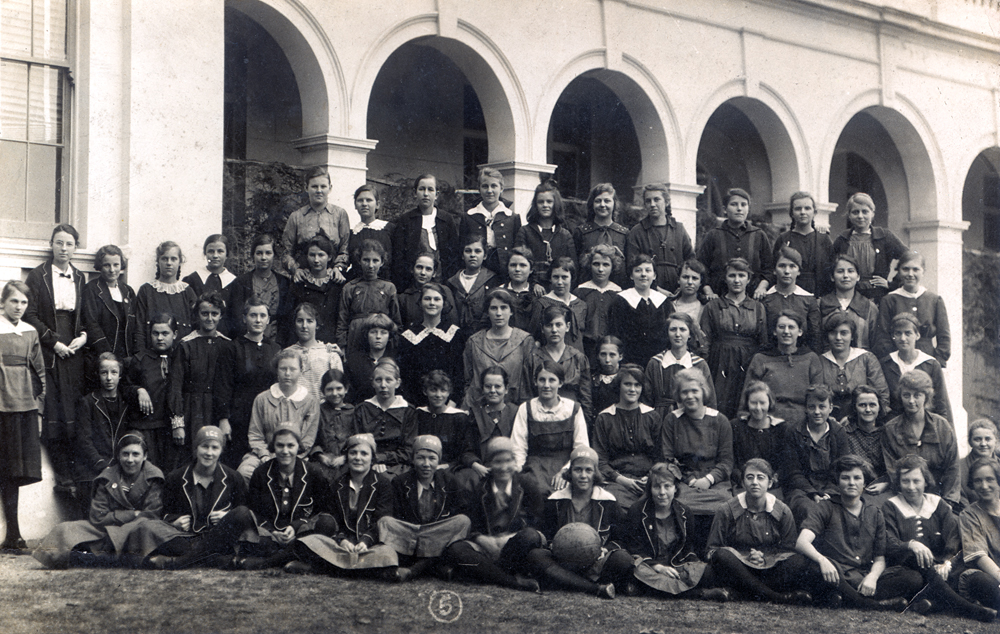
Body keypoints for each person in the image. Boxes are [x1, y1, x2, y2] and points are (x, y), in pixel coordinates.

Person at [795, 454, 921, 611]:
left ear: (865, 482)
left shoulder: (875, 512)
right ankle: (871, 604)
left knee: (913, 578)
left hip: (862, 575)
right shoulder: (825, 507)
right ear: (837, 481)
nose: (852, 483)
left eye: (857, 478)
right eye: (845, 478)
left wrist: (872, 578)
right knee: (812, 569)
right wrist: (822, 561)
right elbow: (801, 542)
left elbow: (879, 558)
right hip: (835, 573)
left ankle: (845, 598)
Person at [883, 455, 997, 622]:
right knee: (915, 576)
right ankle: (968, 609)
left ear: (925, 481)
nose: (911, 487)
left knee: (955, 576)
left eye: (916, 481)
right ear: (898, 483)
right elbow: (888, 541)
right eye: (905, 481)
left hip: (940, 569)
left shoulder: (938, 504)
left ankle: (928, 603)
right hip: (906, 566)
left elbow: (954, 537)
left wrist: (947, 562)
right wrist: (911, 545)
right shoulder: (890, 506)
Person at [34, 432, 164, 569]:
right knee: (63, 529)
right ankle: (110, 557)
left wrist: (123, 521)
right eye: (125, 454)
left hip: (137, 531)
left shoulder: (154, 477)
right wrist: (132, 514)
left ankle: (95, 557)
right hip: (105, 530)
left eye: (135, 454)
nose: (130, 460)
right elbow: (97, 517)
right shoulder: (107, 477)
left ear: (145, 456)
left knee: (148, 529)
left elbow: (151, 515)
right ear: (118, 456)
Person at [24, 224, 87, 494]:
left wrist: (83, 335)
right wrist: (54, 343)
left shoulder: (81, 277)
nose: (64, 248)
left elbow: (84, 313)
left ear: (75, 247)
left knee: (75, 410)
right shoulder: (38, 276)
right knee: (54, 411)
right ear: (51, 244)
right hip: (50, 349)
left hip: (74, 348)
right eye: (59, 243)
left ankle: (77, 473)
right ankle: (61, 475)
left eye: (69, 244)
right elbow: (30, 315)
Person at [526, 446, 632, 599]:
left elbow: (622, 538)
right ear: (570, 472)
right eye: (578, 470)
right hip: (562, 561)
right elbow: (544, 533)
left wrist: (606, 549)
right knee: (536, 556)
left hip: (596, 562)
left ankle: (565, 582)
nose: (583, 475)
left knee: (623, 559)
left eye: (588, 470)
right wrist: (554, 545)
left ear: (595, 473)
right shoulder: (555, 501)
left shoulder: (608, 501)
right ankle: (594, 588)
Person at [442, 437, 544, 591]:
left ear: (515, 462)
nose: (504, 467)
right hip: (489, 546)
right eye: (498, 462)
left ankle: (487, 572)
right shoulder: (480, 488)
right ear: (488, 464)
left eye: (508, 461)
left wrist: (509, 537)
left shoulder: (526, 484)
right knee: (456, 549)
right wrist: (482, 539)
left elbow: (537, 520)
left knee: (530, 536)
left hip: (515, 544)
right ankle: (512, 581)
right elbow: (472, 522)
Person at [141, 426, 250, 570]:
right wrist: (175, 522)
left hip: (219, 537)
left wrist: (227, 515)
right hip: (186, 539)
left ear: (221, 450)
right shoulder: (176, 477)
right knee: (147, 527)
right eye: (204, 446)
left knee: (242, 513)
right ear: (196, 448)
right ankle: (214, 559)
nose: (209, 453)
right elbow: (165, 513)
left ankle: (181, 562)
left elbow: (242, 511)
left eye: (215, 448)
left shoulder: (233, 477)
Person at [706, 459, 813, 605]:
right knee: (721, 555)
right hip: (738, 569)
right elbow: (712, 550)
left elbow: (789, 550)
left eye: (760, 477)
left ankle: (744, 593)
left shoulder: (782, 511)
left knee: (799, 561)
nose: (755, 482)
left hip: (769, 570)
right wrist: (742, 557)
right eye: (749, 477)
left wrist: (766, 559)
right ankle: (776, 597)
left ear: (770, 483)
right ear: (743, 483)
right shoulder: (726, 510)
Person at [291, 433, 399, 576]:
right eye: (353, 453)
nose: (358, 458)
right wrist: (342, 541)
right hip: (342, 545)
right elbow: (333, 519)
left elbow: (382, 520)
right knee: (309, 542)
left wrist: (365, 541)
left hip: (370, 545)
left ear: (372, 458)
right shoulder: (338, 484)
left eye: (364, 454)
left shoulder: (382, 484)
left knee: (388, 555)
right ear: (347, 456)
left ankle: (325, 568)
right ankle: (364, 570)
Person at [236, 423, 337, 570]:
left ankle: (266, 563)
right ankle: (297, 560)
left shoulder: (313, 473)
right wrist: (272, 531)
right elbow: (254, 511)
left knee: (326, 525)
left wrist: (296, 527)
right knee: (249, 534)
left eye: (290, 445)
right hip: (271, 536)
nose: (285, 451)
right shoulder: (261, 473)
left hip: (301, 535)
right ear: (273, 447)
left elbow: (323, 510)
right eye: (280, 445)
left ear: (298, 447)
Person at [378, 435, 471, 581]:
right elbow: (393, 516)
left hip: (436, 533)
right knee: (385, 522)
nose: (426, 464)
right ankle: (433, 565)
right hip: (410, 533)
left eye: (432, 458)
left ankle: (414, 569)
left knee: (463, 521)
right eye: (420, 458)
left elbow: (462, 511)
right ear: (413, 459)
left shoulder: (449, 481)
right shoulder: (400, 482)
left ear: (438, 460)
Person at [618, 462, 716, 599]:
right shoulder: (637, 511)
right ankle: (699, 594)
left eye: (667, 486)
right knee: (635, 571)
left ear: (675, 488)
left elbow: (687, 549)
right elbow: (634, 549)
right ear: (650, 489)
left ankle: (646, 589)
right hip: (650, 567)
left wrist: (693, 567)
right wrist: (658, 567)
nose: (662, 492)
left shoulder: (685, 513)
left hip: (675, 566)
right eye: (657, 487)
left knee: (708, 572)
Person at [660, 368, 733, 546]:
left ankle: (713, 551)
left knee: (724, 506)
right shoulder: (672, 420)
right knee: (680, 506)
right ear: (678, 395)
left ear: (703, 392)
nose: (690, 396)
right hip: (685, 481)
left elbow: (727, 461)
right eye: (684, 392)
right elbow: (668, 458)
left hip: (715, 481)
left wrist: (708, 479)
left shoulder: (720, 420)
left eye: (694, 391)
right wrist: (690, 479)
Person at [0, 281, 45, 551]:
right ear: (3, 302)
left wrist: (38, 406)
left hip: (24, 406)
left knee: (14, 470)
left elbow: (39, 371)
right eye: (14, 301)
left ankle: (13, 534)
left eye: (24, 303)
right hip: (1, 405)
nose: (19, 307)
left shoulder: (30, 331)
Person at [238, 348, 320, 483]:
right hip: (263, 455)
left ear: (301, 370)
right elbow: (255, 435)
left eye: (293, 369)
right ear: (277, 370)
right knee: (245, 472)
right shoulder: (262, 399)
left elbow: (307, 440)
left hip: (295, 456)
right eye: (283, 369)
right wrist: (265, 455)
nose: (287, 373)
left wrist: (287, 455)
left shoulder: (310, 401)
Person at [699, 258, 767, 418]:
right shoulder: (713, 306)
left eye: (742, 275)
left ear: (749, 279)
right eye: (732, 275)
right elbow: (704, 342)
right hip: (719, 362)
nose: (737, 280)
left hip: (748, 362)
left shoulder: (758, 307)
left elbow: (763, 342)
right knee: (719, 405)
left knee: (744, 405)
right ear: (725, 278)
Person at [881, 369, 960, 507]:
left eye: (917, 395)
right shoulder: (891, 429)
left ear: (926, 396)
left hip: (941, 497)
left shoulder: (942, 426)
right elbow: (893, 470)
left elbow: (953, 468)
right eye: (906, 395)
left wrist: (948, 503)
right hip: (906, 497)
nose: (911, 401)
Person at [168, 292, 235, 455]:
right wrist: (178, 424)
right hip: (192, 410)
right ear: (197, 315)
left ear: (221, 316)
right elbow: (175, 386)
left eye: (214, 314)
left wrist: (225, 417)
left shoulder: (227, 345)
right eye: (204, 313)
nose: (209, 318)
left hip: (218, 411)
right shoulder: (185, 345)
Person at [510, 360, 589, 496]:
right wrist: (517, 474)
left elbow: (581, 447)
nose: (546, 385)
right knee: (538, 490)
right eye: (542, 380)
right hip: (536, 465)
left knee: (567, 491)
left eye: (552, 380)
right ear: (535, 382)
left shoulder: (573, 408)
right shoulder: (526, 408)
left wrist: (567, 472)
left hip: (566, 463)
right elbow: (518, 447)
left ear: (561, 383)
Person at [76, 353, 144, 509]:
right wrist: (102, 465)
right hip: (94, 466)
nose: (108, 378)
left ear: (120, 376)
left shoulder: (126, 402)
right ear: (98, 374)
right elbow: (84, 440)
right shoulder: (88, 402)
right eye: (104, 373)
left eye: (114, 373)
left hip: (120, 464)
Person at [592, 364, 662, 510]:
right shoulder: (604, 418)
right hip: (616, 481)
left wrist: (651, 476)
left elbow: (660, 455)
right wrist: (622, 480)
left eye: (637, 385)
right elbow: (600, 460)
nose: (632, 389)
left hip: (649, 479)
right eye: (627, 384)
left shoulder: (652, 416)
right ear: (619, 386)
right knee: (618, 505)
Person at [740, 310, 823, 427]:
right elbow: (748, 394)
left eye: (791, 327)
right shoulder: (761, 359)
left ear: (800, 332)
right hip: (769, 420)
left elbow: (818, 395)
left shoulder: (810, 358)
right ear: (774, 331)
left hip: (803, 421)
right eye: (781, 327)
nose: (786, 332)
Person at [781, 384, 849, 524]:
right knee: (807, 509)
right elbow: (793, 472)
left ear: (830, 408)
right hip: (802, 489)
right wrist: (813, 493)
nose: (817, 412)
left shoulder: (838, 432)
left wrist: (828, 493)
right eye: (812, 407)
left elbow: (841, 468)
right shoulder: (794, 432)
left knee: (837, 510)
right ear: (806, 408)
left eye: (822, 407)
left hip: (832, 487)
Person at [225, 298, 281, 468]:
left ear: (268, 320)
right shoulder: (233, 348)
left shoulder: (275, 349)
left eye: (262, 315)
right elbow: (224, 385)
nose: (258, 320)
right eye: (253, 315)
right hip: (240, 417)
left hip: (267, 416)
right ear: (244, 318)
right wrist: (223, 419)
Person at [122, 314, 180, 473]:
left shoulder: (180, 356)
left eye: (165, 333)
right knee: (149, 470)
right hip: (146, 426)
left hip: (172, 427)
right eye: (155, 333)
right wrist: (138, 390)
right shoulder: (140, 360)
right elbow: (124, 387)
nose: (160, 338)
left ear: (174, 334)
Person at [874, 250, 950, 365]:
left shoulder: (934, 300)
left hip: (927, 360)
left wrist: (937, 362)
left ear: (923, 271)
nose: (910, 274)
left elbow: (944, 335)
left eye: (915, 269)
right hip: (897, 361)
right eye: (905, 269)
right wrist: (893, 362)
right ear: (898, 271)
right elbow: (883, 336)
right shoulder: (889, 300)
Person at [830, 192, 907, 305]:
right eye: (855, 212)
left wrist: (892, 284)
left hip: (878, 297)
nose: (860, 216)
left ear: (872, 213)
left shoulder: (884, 236)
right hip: (849, 296)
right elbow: (830, 265)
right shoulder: (843, 239)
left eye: (865, 211)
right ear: (849, 215)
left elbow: (909, 257)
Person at [462, 288, 535, 407]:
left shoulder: (524, 340)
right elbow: (468, 379)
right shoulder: (474, 342)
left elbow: (528, 383)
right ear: (487, 311)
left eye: (504, 307)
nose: (499, 313)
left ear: (511, 311)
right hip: (479, 409)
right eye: (494, 308)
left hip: (514, 408)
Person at [697, 188, 773, 299]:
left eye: (743, 205)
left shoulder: (759, 235)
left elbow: (768, 268)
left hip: (752, 296)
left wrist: (762, 288)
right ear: (724, 209)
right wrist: (708, 291)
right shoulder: (713, 235)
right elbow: (701, 267)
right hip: (718, 296)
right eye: (734, 204)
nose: (739, 209)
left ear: (748, 208)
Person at [397, 282, 465, 406]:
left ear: (443, 303)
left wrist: (453, 402)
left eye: (436, 299)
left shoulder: (454, 334)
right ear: (420, 303)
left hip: (448, 404)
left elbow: (459, 372)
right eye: (427, 299)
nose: (432, 303)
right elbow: (405, 375)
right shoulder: (408, 336)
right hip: (417, 405)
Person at [390, 174, 461, 288]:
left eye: (430, 189)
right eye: (422, 189)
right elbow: (399, 257)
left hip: (442, 282)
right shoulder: (406, 220)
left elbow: (454, 255)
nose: (426, 194)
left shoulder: (446, 219)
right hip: (412, 284)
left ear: (437, 194)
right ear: (415, 193)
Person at [281, 166, 351, 282]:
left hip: (333, 278)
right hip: (303, 278)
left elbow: (345, 248)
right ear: (306, 188)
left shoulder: (340, 214)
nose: (319, 190)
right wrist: (296, 270)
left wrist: (338, 268)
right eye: (314, 186)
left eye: (323, 186)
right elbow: (286, 252)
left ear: (330, 188)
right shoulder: (296, 217)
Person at [524, 305, 593, 420]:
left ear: (567, 326)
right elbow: (527, 396)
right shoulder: (533, 359)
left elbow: (586, 399)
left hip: (571, 418)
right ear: (542, 328)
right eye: (549, 325)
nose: (554, 330)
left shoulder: (578, 358)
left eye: (558, 325)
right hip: (541, 418)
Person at [880, 312, 951, 423]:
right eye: (898, 333)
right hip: (894, 425)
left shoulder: (931, 364)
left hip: (925, 423)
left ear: (917, 335)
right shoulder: (886, 363)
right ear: (893, 336)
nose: (903, 338)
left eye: (908, 333)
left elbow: (941, 403)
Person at [352, 358, 417, 478]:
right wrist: (373, 461)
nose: (383, 385)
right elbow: (357, 443)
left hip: (399, 466)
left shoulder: (408, 411)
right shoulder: (362, 409)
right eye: (378, 380)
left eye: (388, 380)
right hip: (365, 462)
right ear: (372, 383)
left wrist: (382, 459)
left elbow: (408, 451)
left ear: (397, 383)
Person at [818, 310, 889, 420]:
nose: (838, 338)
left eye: (844, 333)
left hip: (863, 420)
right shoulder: (820, 361)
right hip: (828, 421)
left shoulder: (867, 358)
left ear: (852, 336)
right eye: (833, 332)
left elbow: (882, 395)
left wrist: (856, 418)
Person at [82, 245, 137, 385]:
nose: (112, 270)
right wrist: (107, 355)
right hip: (101, 354)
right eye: (107, 265)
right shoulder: (92, 289)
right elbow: (91, 323)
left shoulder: (128, 291)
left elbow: (134, 323)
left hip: (125, 355)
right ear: (100, 266)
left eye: (116, 265)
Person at [624, 184, 694, 294]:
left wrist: (683, 287)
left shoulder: (679, 229)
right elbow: (632, 266)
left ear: (666, 202)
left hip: (679, 292)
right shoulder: (637, 232)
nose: (652, 204)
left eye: (657, 199)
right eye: (648, 201)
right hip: (648, 292)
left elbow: (691, 261)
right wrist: (657, 290)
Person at [415, 370, 479, 490]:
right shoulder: (419, 414)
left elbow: (466, 450)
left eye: (443, 390)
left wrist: (449, 465)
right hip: (423, 465)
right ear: (425, 391)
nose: (438, 395)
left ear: (449, 392)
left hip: (451, 467)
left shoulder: (459, 417)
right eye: (433, 390)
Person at [607, 254, 674, 367]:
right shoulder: (621, 301)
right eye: (638, 271)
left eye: (648, 270)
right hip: (630, 360)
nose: (643, 274)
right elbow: (616, 333)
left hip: (659, 360)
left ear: (654, 276)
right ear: (631, 276)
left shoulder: (663, 302)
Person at [336, 239, 400, 354]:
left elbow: (396, 321)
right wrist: (342, 346)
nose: (371, 265)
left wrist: (394, 345)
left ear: (382, 262)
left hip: (379, 336)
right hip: (355, 335)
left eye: (375, 261)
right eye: (366, 260)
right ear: (359, 261)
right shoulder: (350, 287)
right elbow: (342, 321)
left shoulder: (389, 288)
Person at [226, 234, 291, 342]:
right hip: (249, 340)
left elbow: (287, 318)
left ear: (274, 255)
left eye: (268, 253)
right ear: (253, 255)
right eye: (259, 253)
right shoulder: (241, 282)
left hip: (277, 340)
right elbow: (236, 318)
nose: (263, 257)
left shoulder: (284, 282)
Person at [134, 241, 197, 353]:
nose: (169, 263)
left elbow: (196, 326)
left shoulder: (187, 291)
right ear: (158, 262)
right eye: (164, 259)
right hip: (151, 356)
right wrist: (141, 357)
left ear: (180, 262)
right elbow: (139, 327)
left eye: (173, 259)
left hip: (181, 355)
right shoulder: (147, 290)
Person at [460, 168, 522, 279]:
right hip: (477, 271)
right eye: (485, 186)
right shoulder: (469, 217)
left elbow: (518, 249)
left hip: (504, 271)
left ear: (501, 188)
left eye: (494, 186)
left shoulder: (512, 217)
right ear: (479, 188)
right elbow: (461, 248)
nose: (489, 191)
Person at [514, 180, 577, 287]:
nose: (545, 205)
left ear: (555, 204)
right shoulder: (525, 232)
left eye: (549, 202)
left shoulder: (565, 235)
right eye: (540, 202)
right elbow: (519, 263)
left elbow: (573, 268)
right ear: (535, 205)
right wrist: (533, 284)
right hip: (531, 289)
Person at [957, 458, 1000, 613]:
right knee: (984, 584)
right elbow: (979, 556)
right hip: (989, 574)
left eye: (990, 479)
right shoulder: (969, 515)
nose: (984, 486)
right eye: (978, 481)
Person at [770, 192, 833, 296]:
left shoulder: (824, 239)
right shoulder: (784, 239)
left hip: (820, 295)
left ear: (814, 212)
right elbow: (775, 270)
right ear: (792, 213)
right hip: (791, 295)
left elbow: (831, 270)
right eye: (798, 209)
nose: (803, 212)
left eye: (807, 208)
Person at [761, 247, 821, 351]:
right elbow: (762, 335)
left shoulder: (808, 299)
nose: (787, 271)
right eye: (782, 266)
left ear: (799, 271)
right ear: (774, 270)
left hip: (801, 357)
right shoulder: (765, 298)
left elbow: (814, 335)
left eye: (792, 266)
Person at [287, 235, 343, 346]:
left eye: (321, 255)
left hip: (330, 342)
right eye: (312, 255)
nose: (316, 260)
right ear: (307, 257)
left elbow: (341, 319)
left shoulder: (337, 284)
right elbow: (288, 318)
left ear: (330, 257)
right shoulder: (299, 283)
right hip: (303, 342)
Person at [730, 382, 784, 491]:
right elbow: (731, 461)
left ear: (770, 403)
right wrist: (743, 480)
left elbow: (785, 463)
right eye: (754, 403)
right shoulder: (736, 426)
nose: (758, 408)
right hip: (743, 485)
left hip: (773, 486)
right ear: (747, 403)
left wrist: (772, 480)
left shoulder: (781, 428)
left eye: (762, 403)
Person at [840, 385, 891, 502]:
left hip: (884, 487)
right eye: (862, 405)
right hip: (854, 489)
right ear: (854, 408)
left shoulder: (887, 433)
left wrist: (887, 483)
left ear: (879, 407)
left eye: (872, 405)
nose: (868, 410)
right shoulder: (845, 433)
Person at [819, 254, 879, 351]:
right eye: (840, 271)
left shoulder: (870, 308)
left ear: (858, 276)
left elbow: (875, 344)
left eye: (850, 271)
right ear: (832, 277)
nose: (845, 276)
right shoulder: (820, 305)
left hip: (860, 363)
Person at [574, 244, 624, 363]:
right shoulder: (581, 291)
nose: (600, 269)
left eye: (606, 264)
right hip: (586, 348)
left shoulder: (618, 293)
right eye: (596, 264)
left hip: (610, 351)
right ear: (589, 265)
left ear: (613, 267)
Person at [284, 302, 343, 401]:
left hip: (322, 412)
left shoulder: (329, 353)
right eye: (300, 321)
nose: (304, 326)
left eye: (309, 321)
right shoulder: (287, 354)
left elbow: (338, 390)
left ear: (317, 324)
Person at [574, 183, 629, 287]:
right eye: (598, 201)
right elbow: (575, 267)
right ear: (592, 204)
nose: (602, 205)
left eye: (607, 201)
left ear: (614, 204)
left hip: (618, 289)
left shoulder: (624, 234)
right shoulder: (581, 232)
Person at [467, 366, 517, 479]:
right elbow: (467, 449)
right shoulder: (475, 414)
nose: (493, 391)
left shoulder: (516, 412)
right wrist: (475, 465)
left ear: (506, 389)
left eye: (498, 386)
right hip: (481, 469)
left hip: (509, 468)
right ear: (482, 388)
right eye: (488, 386)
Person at [531, 257, 587, 355]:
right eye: (556, 277)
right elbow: (534, 337)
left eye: (564, 277)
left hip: (576, 360)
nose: (560, 282)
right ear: (550, 278)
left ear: (572, 278)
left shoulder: (581, 305)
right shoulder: (542, 303)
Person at [308, 369, 355, 480]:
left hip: (347, 461)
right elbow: (312, 438)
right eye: (329, 389)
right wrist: (320, 455)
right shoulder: (318, 411)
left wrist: (345, 457)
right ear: (323, 391)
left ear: (346, 389)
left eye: (339, 388)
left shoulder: (354, 412)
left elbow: (357, 438)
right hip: (323, 461)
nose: (335, 393)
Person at [446, 233, 499, 332]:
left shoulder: (492, 280)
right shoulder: (452, 282)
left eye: (478, 251)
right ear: (462, 255)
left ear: (485, 256)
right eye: (468, 251)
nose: (472, 255)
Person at [343, 313, 396, 403]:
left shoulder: (396, 359)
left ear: (389, 336)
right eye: (373, 332)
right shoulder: (354, 361)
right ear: (366, 334)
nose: (378, 336)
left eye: (383, 332)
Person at [346, 184, 394, 281]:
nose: (364, 204)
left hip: (384, 283)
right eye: (360, 200)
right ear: (355, 205)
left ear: (377, 204)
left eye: (369, 200)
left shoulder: (389, 229)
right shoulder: (352, 233)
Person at [397, 253, 457, 328]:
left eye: (428, 269)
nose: (423, 273)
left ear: (434, 273)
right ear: (412, 269)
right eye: (419, 267)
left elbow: (452, 322)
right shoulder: (405, 298)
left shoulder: (444, 291)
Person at [670, 260, 709, 353]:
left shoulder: (705, 307)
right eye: (685, 277)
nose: (690, 282)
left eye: (695, 278)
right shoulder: (669, 306)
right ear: (678, 280)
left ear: (700, 282)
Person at [182, 234, 236, 301]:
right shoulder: (192, 280)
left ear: (227, 254)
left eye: (220, 251)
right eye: (211, 251)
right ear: (205, 253)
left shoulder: (234, 282)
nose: (215, 255)